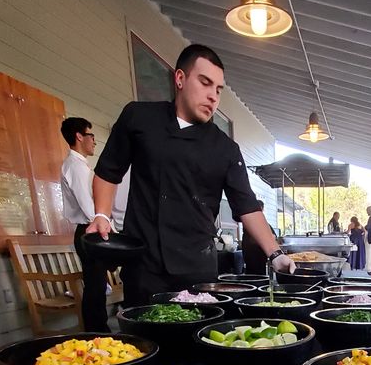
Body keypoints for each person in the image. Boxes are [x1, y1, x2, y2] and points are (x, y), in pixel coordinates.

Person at [86, 44, 294, 305]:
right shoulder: (139, 118)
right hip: (143, 262)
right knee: (144, 341)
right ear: (180, 79)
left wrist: (276, 254)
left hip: (197, 268)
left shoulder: (225, 148)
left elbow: (247, 206)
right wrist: (102, 215)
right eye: (205, 83)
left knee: (196, 340)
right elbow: (109, 170)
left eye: (218, 90)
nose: (213, 96)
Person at [60, 117, 110, 332]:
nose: (94, 141)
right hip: (89, 230)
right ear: (79, 136)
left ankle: (98, 330)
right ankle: (96, 332)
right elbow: (88, 206)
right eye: (91, 136)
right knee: (95, 286)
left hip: (90, 228)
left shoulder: (79, 165)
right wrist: (105, 225)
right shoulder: (75, 166)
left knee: (97, 284)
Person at [242, 200, 277, 274]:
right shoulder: (251, 222)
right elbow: (253, 239)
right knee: (255, 275)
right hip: (253, 254)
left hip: (258, 256)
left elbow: (273, 236)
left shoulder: (263, 223)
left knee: (259, 273)